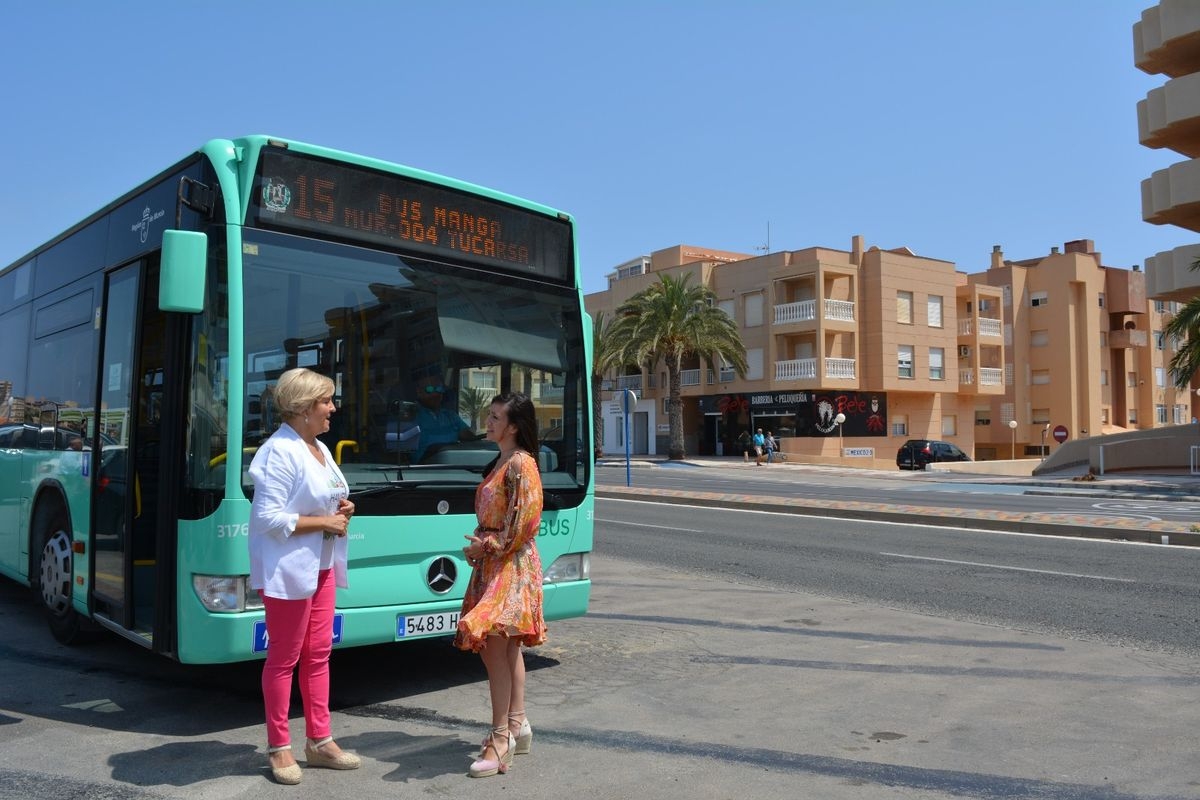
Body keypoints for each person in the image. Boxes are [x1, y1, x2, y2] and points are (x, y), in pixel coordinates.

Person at [248, 368, 361, 785]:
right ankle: (280, 747)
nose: (333, 408)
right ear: (302, 407)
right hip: (289, 570)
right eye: (326, 401)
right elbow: (267, 518)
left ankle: (319, 740)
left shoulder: (318, 447)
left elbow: (325, 498)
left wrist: (341, 508)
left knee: (318, 655)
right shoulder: (279, 451)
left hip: (321, 566)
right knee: (283, 659)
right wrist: (323, 523)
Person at [456, 391, 547, 778]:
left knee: (493, 647)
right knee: (505, 650)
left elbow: (523, 525)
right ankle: (518, 725)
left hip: (509, 564)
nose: (488, 422)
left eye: (495, 417)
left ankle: (500, 738)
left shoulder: (521, 464)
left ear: (512, 426)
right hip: (495, 564)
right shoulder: (502, 461)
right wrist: (481, 547)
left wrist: (486, 546)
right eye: (489, 415)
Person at [412, 381, 475, 461]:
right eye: (430, 389)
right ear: (419, 392)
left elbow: (468, 436)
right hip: (420, 470)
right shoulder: (411, 415)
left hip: (454, 466)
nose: (436, 394)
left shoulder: (451, 415)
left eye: (439, 389)